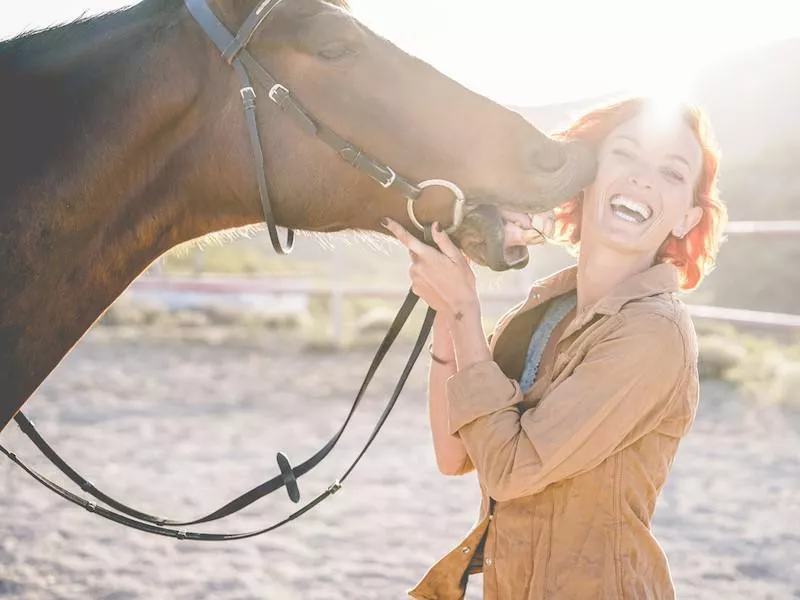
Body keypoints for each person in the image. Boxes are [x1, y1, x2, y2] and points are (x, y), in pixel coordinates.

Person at [380, 97, 727, 600]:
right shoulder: (546, 311)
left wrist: (464, 310)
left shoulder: (654, 333)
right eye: (625, 155)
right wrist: (445, 304)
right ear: (586, 178)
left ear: (685, 219)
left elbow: (511, 468)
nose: (643, 180)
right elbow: (454, 454)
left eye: (671, 174)